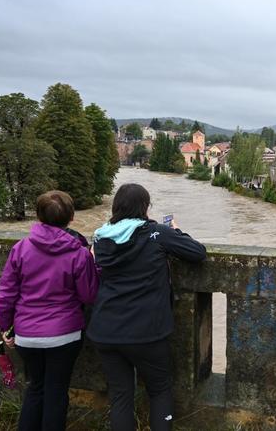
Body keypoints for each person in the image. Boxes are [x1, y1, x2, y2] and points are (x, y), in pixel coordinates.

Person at [87, 183, 206, 431]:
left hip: (105, 329)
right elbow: (197, 253)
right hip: (145, 331)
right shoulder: (156, 233)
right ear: (145, 207)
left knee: (120, 396)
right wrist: (176, 230)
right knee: (159, 389)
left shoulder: (100, 238)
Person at [0, 190, 99, 431]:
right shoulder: (79, 253)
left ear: (39, 217)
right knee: (56, 391)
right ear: (71, 218)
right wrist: (94, 266)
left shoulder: (20, 249)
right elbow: (89, 296)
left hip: (27, 335)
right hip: (64, 334)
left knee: (36, 388)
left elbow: (6, 294)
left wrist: (5, 327)